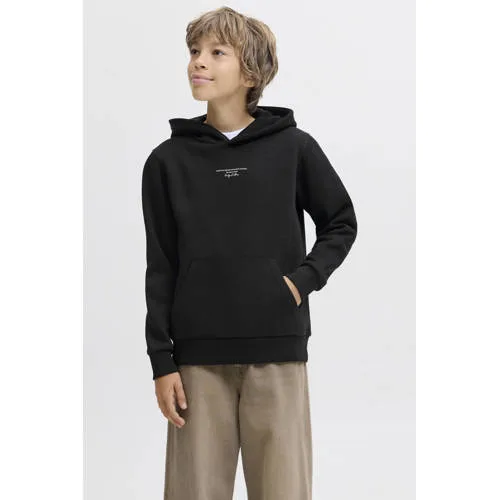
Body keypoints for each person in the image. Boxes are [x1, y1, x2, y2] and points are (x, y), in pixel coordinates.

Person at [140, 6, 357, 500]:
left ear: (251, 72)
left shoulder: (294, 148)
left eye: (217, 52)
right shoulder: (167, 161)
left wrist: (301, 282)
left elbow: (341, 222)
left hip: (277, 352)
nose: (199, 62)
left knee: (284, 492)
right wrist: (161, 360)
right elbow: (161, 264)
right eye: (195, 51)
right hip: (196, 362)